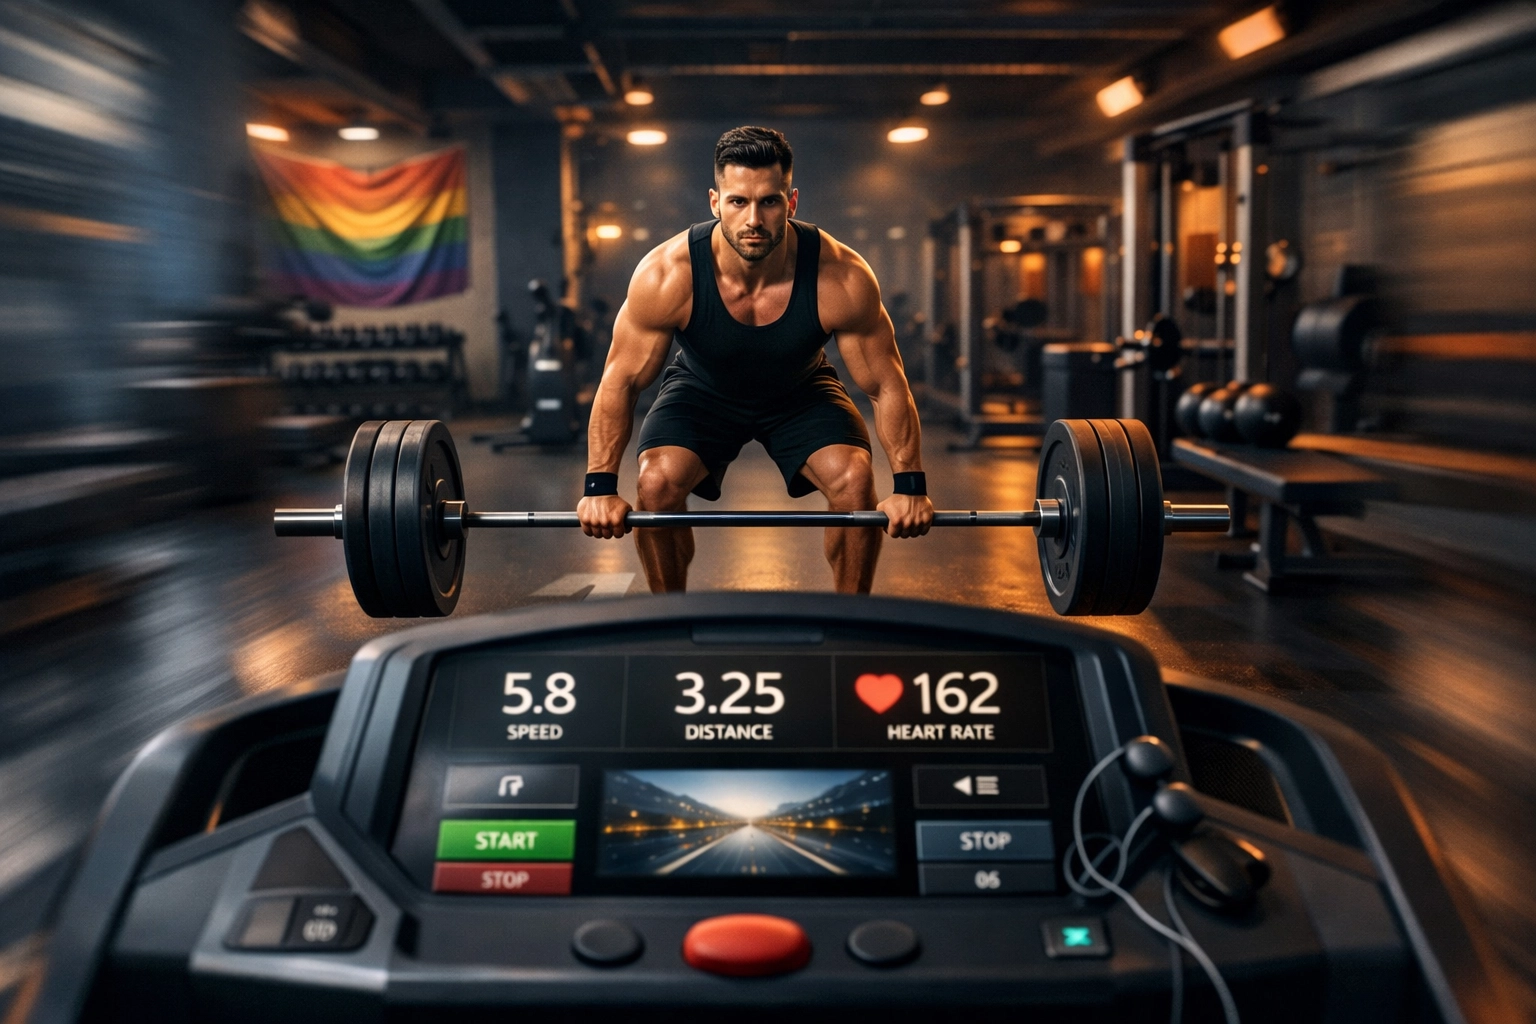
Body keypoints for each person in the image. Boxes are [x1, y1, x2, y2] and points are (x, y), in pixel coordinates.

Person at [576, 125, 932, 593]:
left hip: (800, 390)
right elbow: (619, 381)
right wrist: (599, 488)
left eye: (769, 201)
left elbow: (886, 384)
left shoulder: (840, 275)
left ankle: (851, 621)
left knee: (855, 478)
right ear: (714, 202)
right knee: (657, 482)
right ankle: (671, 615)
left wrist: (909, 486)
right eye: (738, 201)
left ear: (792, 202)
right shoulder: (667, 274)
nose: (754, 219)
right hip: (703, 390)